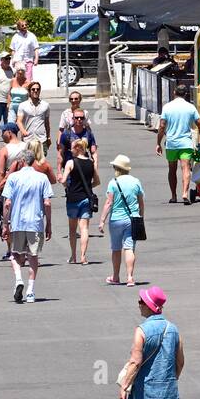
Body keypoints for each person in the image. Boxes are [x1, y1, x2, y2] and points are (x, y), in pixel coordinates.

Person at [1, 150, 53, 304]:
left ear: (22, 161)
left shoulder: (13, 178)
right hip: (35, 223)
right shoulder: (42, 178)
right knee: (33, 256)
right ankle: (30, 290)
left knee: (15, 255)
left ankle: (18, 280)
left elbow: (7, 203)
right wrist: (48, 223)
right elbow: (47, 203)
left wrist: (5, 224)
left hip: (18, 222)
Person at [98, 153, 144, 286]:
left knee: (116, 248)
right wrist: (141, 217)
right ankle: (130, 277)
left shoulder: (113, 183)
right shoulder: (136, 182)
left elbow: (109, 203)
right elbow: (141, 202)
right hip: (132, 219)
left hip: (116, 219)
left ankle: (116, 276)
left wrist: (102, 221)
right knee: (129, 248)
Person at [156, 83, 200, 204]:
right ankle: (185, 193)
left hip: (171, 143)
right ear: (186, 94)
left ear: (174, 93)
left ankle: (173, 196)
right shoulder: (190, 107)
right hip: (185, 143)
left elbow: (162, 126)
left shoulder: (167, 107)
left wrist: (158, 143)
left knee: (172, 169)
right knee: (186, 168)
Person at [62, 137, 96, 265]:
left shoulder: (70, 163)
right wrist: (87, 186)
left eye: (72, 148)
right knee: (84, 228)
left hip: (73, 198)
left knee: (72, 229)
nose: (71, 150)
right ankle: (83, 256)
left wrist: (67, 186)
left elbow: (64, 180)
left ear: (78, 148)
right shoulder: (91, 163)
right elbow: (97, 181)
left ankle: (73, 255)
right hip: (86, 198)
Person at [57, 105, 97, 176]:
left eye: (81, 118)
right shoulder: (66, 134)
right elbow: (60, 154)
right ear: (73, 118)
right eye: (77, 117)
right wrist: (59, 172)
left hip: (85, 167)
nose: (79, 119)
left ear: (84, 119)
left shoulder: (88, 134)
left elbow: (94, 153)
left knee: (86, 186)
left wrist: (95, 171)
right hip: (70, 167)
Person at [16, 79, 50, 145]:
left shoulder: (46, 105)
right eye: (33, 89)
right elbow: (19, 121)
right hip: (28, 139)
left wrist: (48, 137)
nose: (35, 91)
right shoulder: (23, 105)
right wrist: (23, 131)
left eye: (37, 89)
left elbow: (47, 123)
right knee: (28, 156)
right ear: (29, 91)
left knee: (42, 155)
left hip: (42, 140)